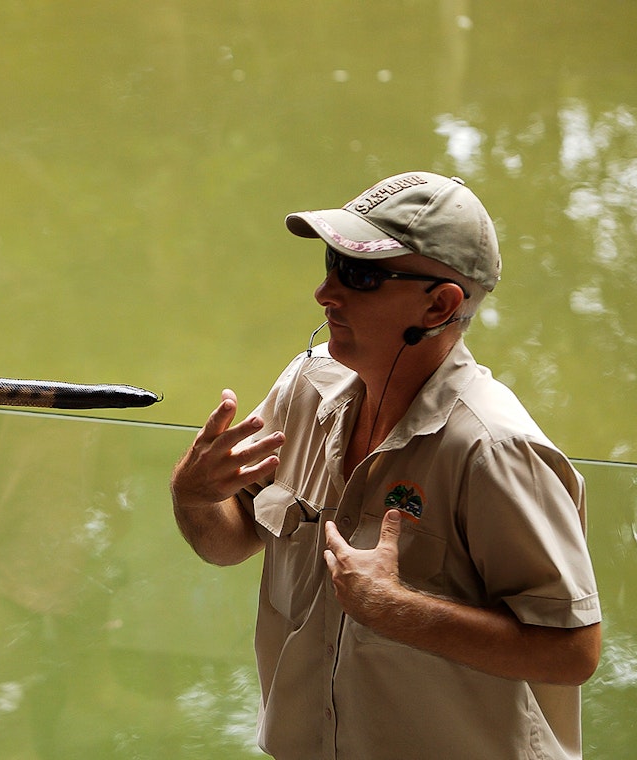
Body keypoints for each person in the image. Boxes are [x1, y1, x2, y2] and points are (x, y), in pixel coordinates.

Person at [169, 171, 601, 759]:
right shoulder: (307, 385)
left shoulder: (493, 449)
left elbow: (573, 652)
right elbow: (230, 541)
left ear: (439, 305)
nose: (325, 292)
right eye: (330, 262)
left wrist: (400, 611)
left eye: (360, 274)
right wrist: (194, 496)